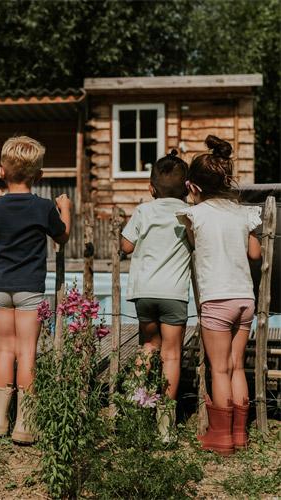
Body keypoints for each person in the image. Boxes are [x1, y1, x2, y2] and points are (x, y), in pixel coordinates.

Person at [177, 135, 262, 456]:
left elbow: (193, 243)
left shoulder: (195, 215)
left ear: (194, 186)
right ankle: (240, 434)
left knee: (220, 369)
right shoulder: (242, 214)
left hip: (217, 300)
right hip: (245, 300)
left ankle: (221, 436)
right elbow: (255, 254)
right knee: (237, 366)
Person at [0, 136, 71, 444]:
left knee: (5, 350)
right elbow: (62, 236)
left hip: (0, 286)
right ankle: (24, 423)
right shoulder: (43, 207)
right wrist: (65, 209)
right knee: (26, 352)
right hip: (29, 288)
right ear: (39, 175)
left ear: (1, 172)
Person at [121, 150, 191, 441]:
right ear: (187, 188)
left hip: (145, 292)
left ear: (151, 188)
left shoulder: (143, 211)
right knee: (171, 354)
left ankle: (135, 409)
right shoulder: (188, 214)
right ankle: (165, 425)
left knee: (148, 346)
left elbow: (126, 246)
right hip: (174, 293)